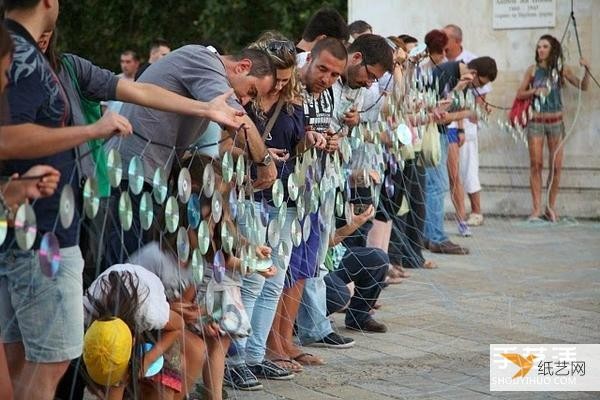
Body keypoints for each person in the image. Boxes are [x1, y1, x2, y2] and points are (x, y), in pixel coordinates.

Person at [0, 2, 133, 398]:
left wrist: (13, 191)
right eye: (4, 73)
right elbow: (7, 138)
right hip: (38, 238)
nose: (8, 80)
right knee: (52, 357)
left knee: (22, 360)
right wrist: (90, 131)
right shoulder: (24, 56)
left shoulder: (29, 55)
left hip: (30, 225)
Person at [103, 44, 278, 269]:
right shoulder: (205, 62)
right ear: (242, 67)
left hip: (147, 177)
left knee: (137, 266)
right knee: (124, 266)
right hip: (130, 175)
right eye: (251, 91)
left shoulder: (205, 73)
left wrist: (242, 246)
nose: (244, 100)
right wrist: (264, 161)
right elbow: (236, 119)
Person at [224, 32, 304, 390]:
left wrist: (316, 140)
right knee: (252, 280)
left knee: (273, 282)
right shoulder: (244, 99)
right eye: (278, 78)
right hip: (248, 196)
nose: (280, 86)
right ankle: (236, 358)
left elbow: (298, 145)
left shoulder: (293, 105)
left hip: (284, 201)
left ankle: (256, 357)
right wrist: (259, 157)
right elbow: (226, 143)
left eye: (287, 80)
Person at [424, 57, 498, 255]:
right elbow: (439, 112)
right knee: (436, 186)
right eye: (480, 83)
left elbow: (455, 110)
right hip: (429, 133)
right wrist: (467, 112)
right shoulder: (446, 73)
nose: (478, 88)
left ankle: (429, 235)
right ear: (473, 73)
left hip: (441, 132)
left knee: (434, 185)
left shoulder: (462, 79)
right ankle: (435, 238)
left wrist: (473, 112)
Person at [516, 34, 590, 222]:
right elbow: (520, 93)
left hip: (556, 123)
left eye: (545, 47)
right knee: (536, 165)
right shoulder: (532, 70)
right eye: (539, 46)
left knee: (556, 167)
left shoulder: (561, 69)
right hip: (536, 123)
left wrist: (587, 70)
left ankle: (550, 208)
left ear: (552, 49)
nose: (541, 50)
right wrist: (534, 91)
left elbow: (583, 87)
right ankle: (536, 209)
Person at [444, 24, 491, 230]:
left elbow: (481, 94)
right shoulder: (442, 61)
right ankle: (462, 217)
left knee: (468, 170)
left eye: (446, 38)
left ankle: (476, 211)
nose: (443, 43)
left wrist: (472, 116)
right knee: (454, 174)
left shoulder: (471, 61)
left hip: (464, 125)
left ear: (457, 41)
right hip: (448, 123)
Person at [324, 204, 388, 332]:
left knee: (377, 259)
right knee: (338, 294)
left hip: (333, 255)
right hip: (311, 265)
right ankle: (299, 322)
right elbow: (327, 242)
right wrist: (353, 224)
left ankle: (359, 318)